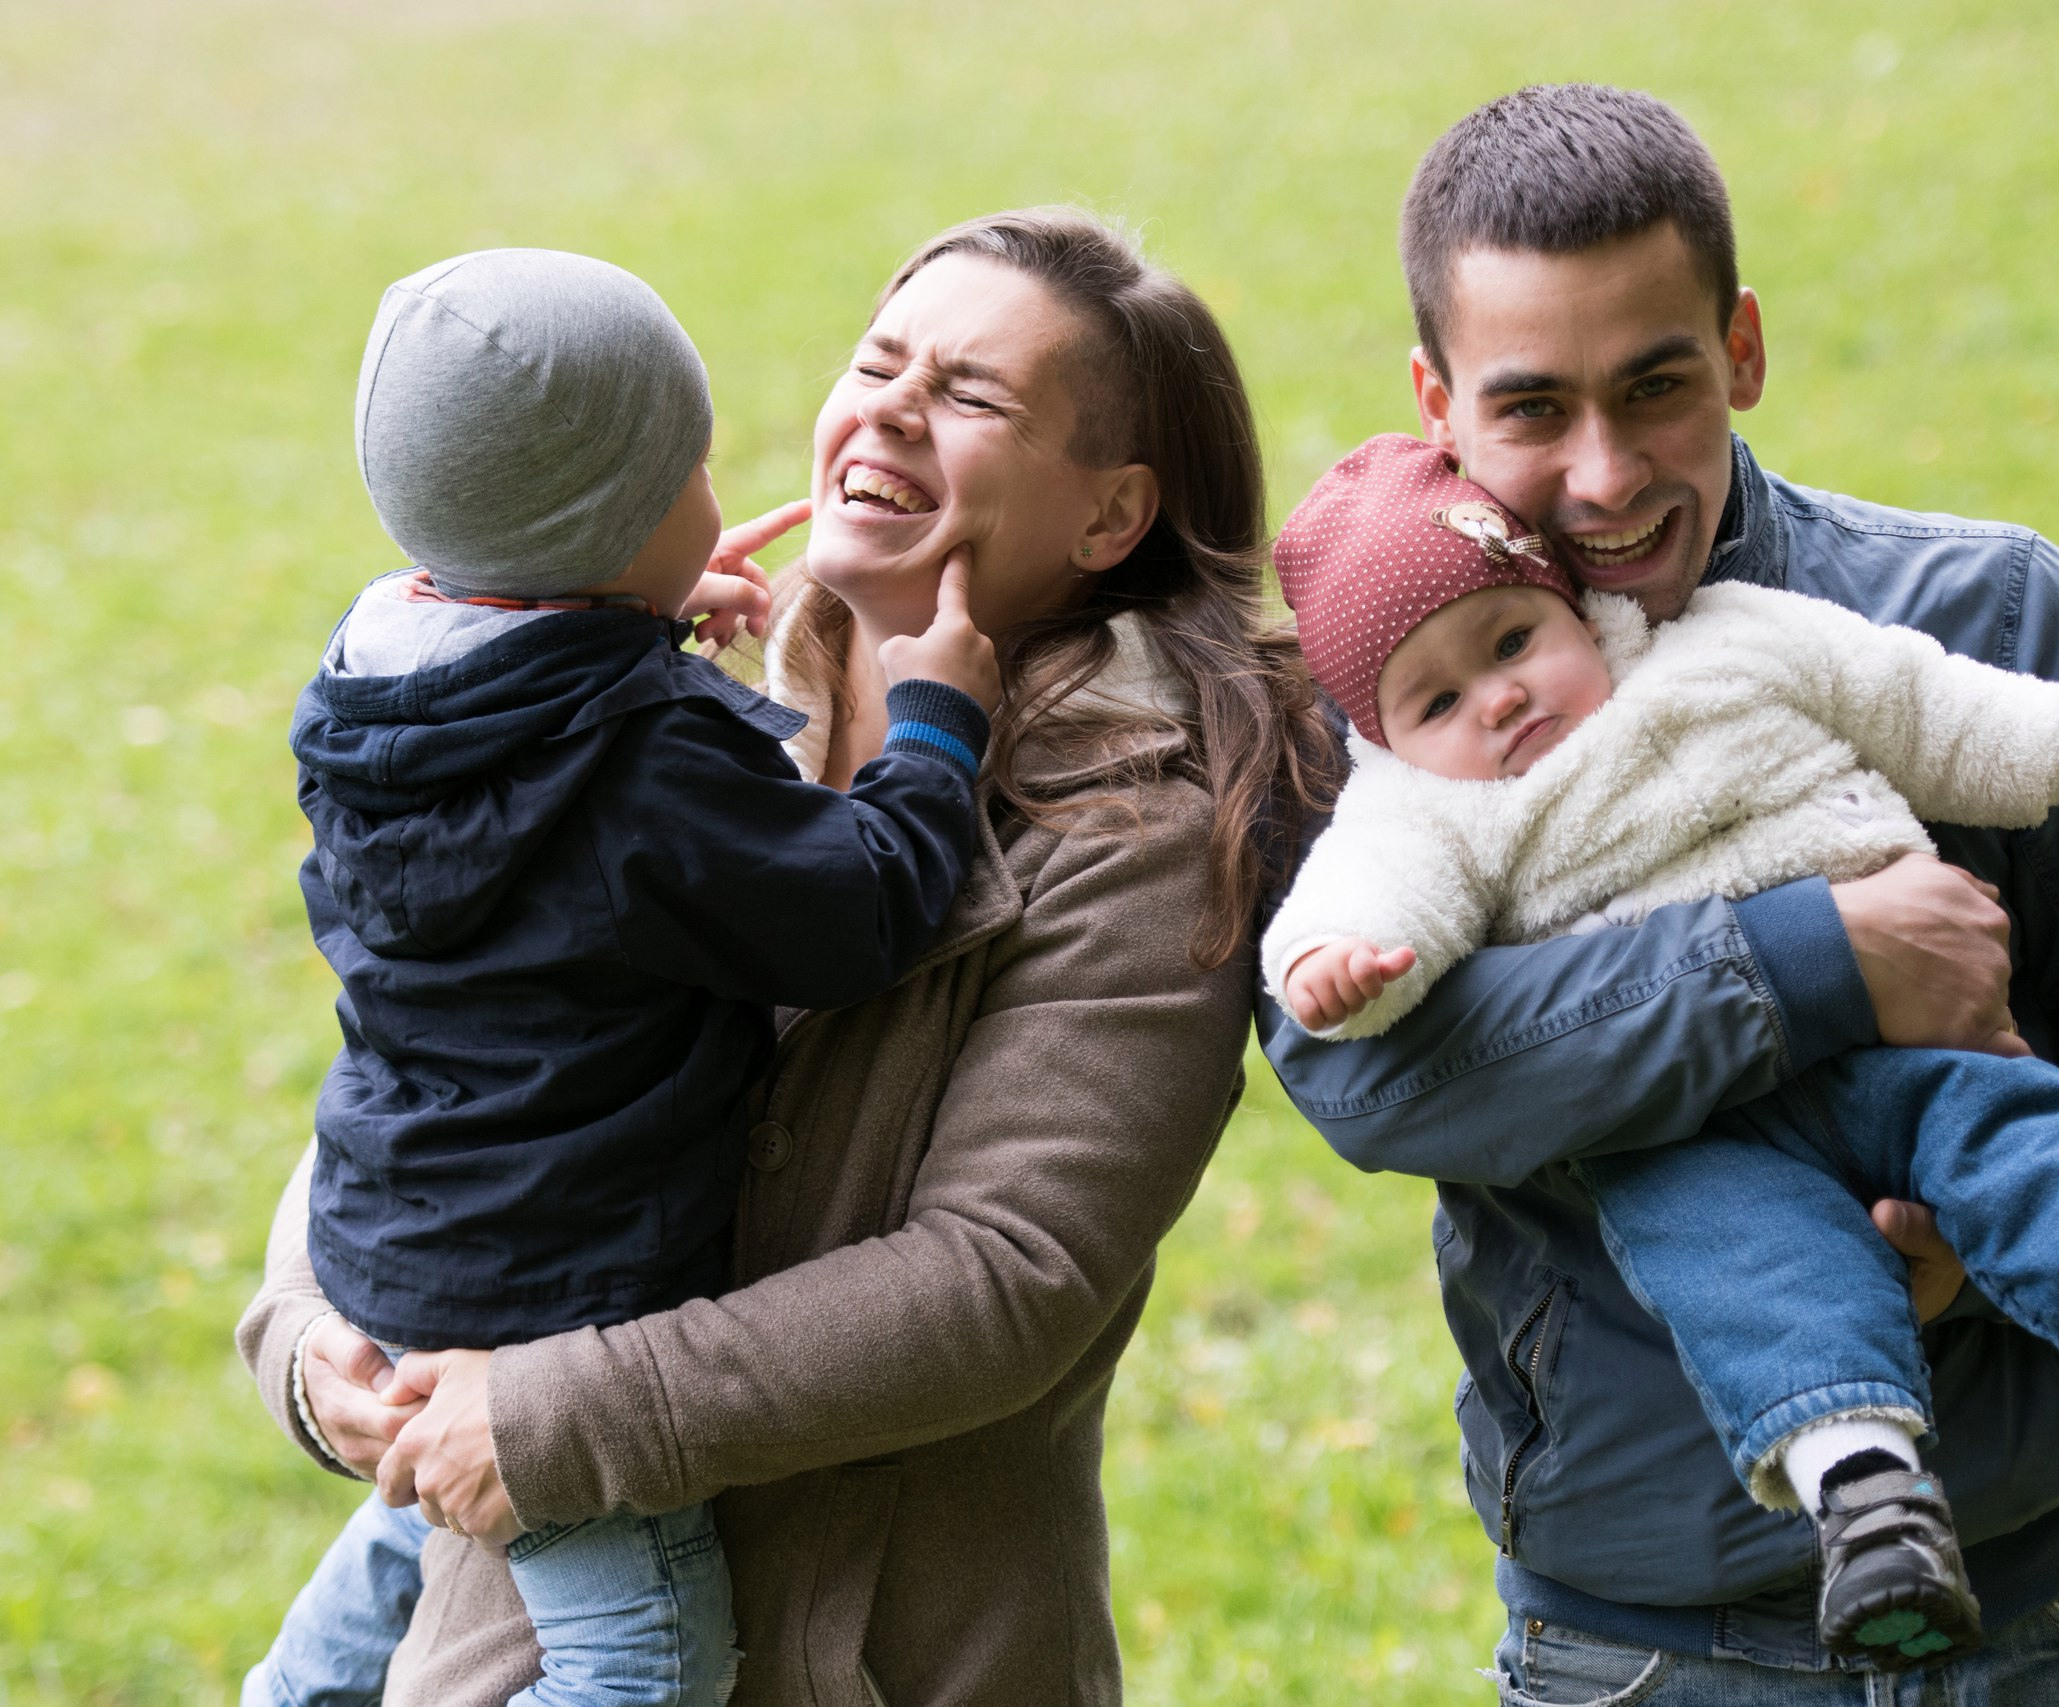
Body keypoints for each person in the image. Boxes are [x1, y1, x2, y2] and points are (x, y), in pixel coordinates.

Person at [1256, 86, 2059, 1701]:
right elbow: (1368, 1075)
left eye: (1657, 385)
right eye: (1533, 408)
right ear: (1437, 403)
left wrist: (1995, 1239)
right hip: (1641, 1640)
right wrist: (1811, 959)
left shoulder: (1979, 612)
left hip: (2042, 1607)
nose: (1605, 474)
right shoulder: (1402, 714)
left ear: (1740, 349)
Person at [238, 208, 1333, 1707]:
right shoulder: (652, 710)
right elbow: (436, 1061)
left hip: (877, 1657)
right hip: (503, 1628)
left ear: (1108, 516)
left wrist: (551, 1416)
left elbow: (1004, 1279)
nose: (893, 405)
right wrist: (311, 1346)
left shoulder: (1137, 830)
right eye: (877, 363)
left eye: (970, 392)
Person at [245, 247, 1002, 1707]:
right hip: (552, 1296)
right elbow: (859, 910)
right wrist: (934, 732)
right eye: (691, 472)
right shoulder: (640, 769)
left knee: (420, 1531)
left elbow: (533, 752)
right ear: (620, 520)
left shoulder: (373, 688)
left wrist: (626, 620)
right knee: (639, 1658)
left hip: (405, 1242)